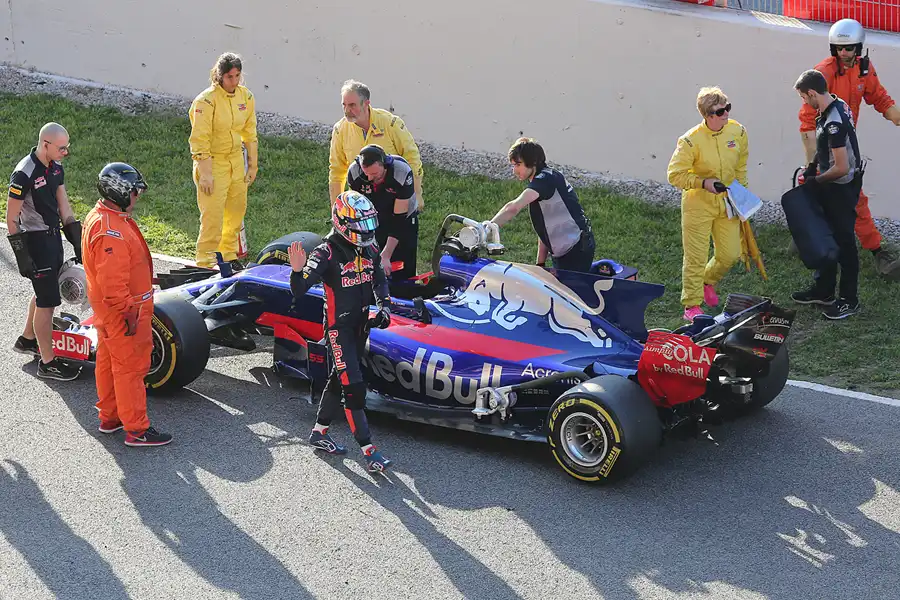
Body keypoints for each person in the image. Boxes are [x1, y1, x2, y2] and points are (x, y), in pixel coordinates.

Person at [288, 191, 393, 473]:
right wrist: (297, 271)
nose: (368, 233)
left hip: (361, 325)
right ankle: (369, 451)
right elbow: (298, 290)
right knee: (353, 386)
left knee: (338, 378)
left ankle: (319, 432)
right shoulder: (325, 252)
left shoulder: (368, 248)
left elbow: (380, 278)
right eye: (362, 228)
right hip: (338, 329)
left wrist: (384, 307)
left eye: (370, 227)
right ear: (343, 224)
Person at [797, 18, 900, 280]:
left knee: (824, 197)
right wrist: (815, 161)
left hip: (845, 140)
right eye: (839, 48)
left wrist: (896, 115)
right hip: (828, 144)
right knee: (854, 197)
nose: (844, 53)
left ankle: (803, 239)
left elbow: (879, 98)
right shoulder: (824, 73)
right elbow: (807, 120)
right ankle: (878, 254)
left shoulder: (864, 70)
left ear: (859, 47)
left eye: (849, 48)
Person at [82, 162, 173, 446]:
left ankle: (110, 418)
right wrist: (130, 313)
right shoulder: (112, 231)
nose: (137, 197)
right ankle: (136, 429)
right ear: (120, 192)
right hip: (125, 313)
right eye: (135, 192)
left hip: (110, 312)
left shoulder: (103, 217)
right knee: (131, 369)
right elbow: (113, 284)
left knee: (109, 364)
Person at [6, 122, 82, 381]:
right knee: (48, 303)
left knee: (43, 294)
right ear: (45, 145)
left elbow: (65, 207)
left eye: (67, 147)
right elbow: (11, 219)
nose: (66, 152)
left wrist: (78, 242)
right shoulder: (23, 173)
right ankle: (48, 363)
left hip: (54, 240)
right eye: (61, 148)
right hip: (37, 243)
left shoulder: (56, 167)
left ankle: (28, 339)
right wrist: (22, 256)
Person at [667, 87, 749, 322]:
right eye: (720, 111)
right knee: (696, 256)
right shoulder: (690, 141)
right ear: (707, 115)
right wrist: (703, 183)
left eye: (727, 108)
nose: (726, 114)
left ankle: (707, 281)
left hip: (728, 202)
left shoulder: (738, 132)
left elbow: (741, 165)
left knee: (730, 254)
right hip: (698, 205)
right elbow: (675, 175)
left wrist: (741, 194)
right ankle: (691, 304)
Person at [792, 69, 864, 320]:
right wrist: (812, 167)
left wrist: (816, 181)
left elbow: (841, 167)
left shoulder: (833, 122)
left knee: (844, 243)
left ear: (812, 93)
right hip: (833, 184)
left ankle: (849, 300)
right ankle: (823, 291)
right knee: (827, 236)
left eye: (804, 98)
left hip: (841, 188)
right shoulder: (838, 103)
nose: (805, 103)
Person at [188, 51, 259, 270]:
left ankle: (228, 256)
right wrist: (206, 173)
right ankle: (205, 264)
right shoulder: (205, 101)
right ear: (220, 76)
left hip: (236, 160)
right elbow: (200, 140)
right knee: (213, 217)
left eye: (237, 75)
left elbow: (250, 131)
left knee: (236, 212)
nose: (234, 81)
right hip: (214, 162)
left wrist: (253, 164)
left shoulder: (245, 97)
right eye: (230, 77)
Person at [487, 137, 595, 273]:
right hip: (569, 249)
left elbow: (513, 208)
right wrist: (540, 264)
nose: (514, 170)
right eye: (513, 165)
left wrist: (487, 228)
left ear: (533, 162)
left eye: (518, 164)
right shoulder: (546, 178)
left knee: (571, 291)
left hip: (575, 250)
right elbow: (544, 227)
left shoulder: (545, 181)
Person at [329, 80, 424, 212]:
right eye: (344, 105)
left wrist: (415, 194)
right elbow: (337, 171)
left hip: (395, 197)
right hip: (362, 201)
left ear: (366, 103)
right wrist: (336, 208)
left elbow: (412, 159)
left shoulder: (391, 124)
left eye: (352, 105)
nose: (347, 111)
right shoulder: (340, 130)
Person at [346, 144, 419, 280]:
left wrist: (386, 255)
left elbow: (399, 220)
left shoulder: (401, 172)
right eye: (366, 173)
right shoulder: (355, 173)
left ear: (385, 165)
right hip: (373, 216)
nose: (369, 179)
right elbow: (356, 210)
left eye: (374, 174)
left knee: (402, 267)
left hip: (402, 218)